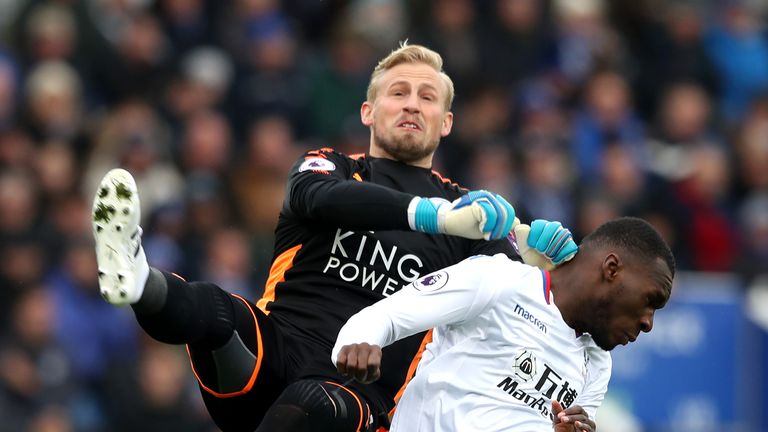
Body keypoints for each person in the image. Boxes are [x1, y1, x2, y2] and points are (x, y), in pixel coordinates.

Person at [91, 43, 577, 431]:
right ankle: (136, 277)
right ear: (368, 111)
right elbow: (317, 197)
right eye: (398, 92)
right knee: (216, 309)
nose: (412, 103)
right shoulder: (332, 166)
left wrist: (541, 263)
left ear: (446, 122)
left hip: (360, 396)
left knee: (317, 400)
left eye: (428, 97)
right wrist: (436, 217)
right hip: (271, 356)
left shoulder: (468, 216)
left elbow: (519, 300)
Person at [333, 217, 675, 432]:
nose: (648, 323)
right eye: (651, 300)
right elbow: (387, 315)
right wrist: (360, 341)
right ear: (612, 269)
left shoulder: (598, 364)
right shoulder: (500, 280)